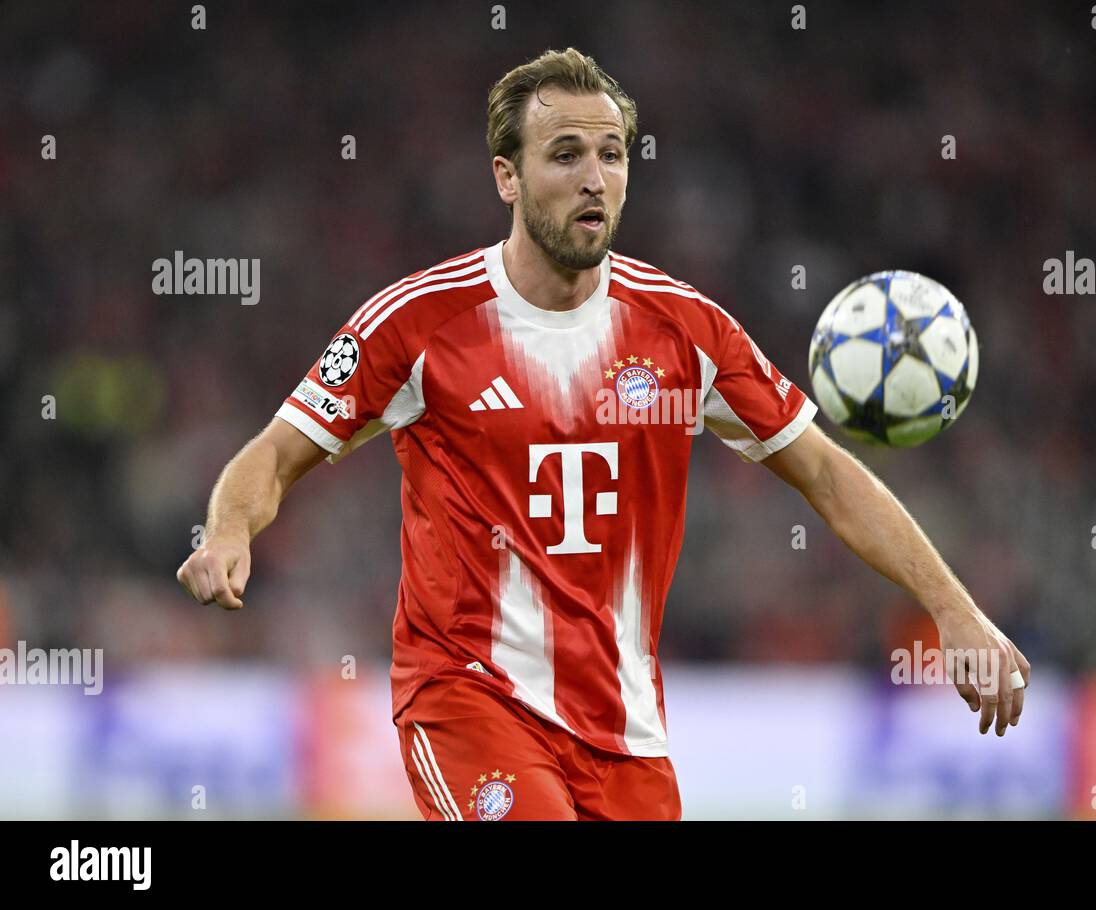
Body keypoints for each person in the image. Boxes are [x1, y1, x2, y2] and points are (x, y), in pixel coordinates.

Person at [176, 47, 1029, 821]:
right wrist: (226, 530)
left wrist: (954, 611)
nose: (596, 178)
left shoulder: (686, 331)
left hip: (627, 735)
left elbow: (830, 478)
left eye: (613, 155)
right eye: (567, 155)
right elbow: (276, 452)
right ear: (506, 177)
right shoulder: (419, 323)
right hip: (470, 700)